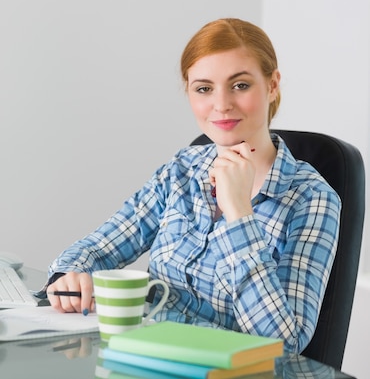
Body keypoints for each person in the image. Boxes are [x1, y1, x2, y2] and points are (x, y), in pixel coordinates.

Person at [43, 18, 341, 354]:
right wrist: (71, 273)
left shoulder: (311, 198)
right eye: (204, 88)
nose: (222, 104)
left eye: (240, 85)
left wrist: (238, 213)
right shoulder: (182, 170)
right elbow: (100, 245)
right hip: (149, 359)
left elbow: (284, 344)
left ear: (272, 85)